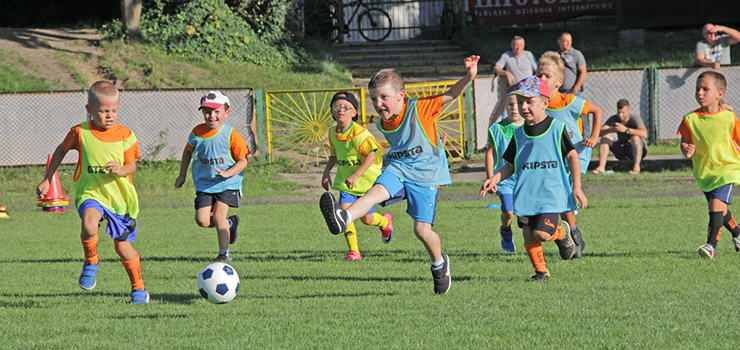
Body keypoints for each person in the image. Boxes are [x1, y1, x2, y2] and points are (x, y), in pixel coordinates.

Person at [320, 55, 480, 295]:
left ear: (401, 96)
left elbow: (451, 95)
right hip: (399, 167)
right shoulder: (384, 122)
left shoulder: (421, 108)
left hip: (427, 175)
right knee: (374, 192)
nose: (379, 103)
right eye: (374, 98)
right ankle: (344, 217)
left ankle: (439, 264)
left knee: (422, 231)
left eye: (384, 97)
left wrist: (469, 76)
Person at [36, 81, 149, 304]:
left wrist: (120, 170)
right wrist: (48, 178)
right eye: (104, 111)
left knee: (123, 248)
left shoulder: (125, 134)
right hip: (91, 194)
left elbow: (132, 166)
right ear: (89, 110)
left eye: (114, 111)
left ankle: (138, 288)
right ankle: (91, 260)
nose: (110, 116)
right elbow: (61, 150)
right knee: (89, 224)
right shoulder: (81, 132)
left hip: (120, 201)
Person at [480, 77, 587, 281]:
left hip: (551, 193)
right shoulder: (519, 134)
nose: (524, 106)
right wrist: (494, 178)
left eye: (530, 101)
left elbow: (573, 156)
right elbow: (510, 165)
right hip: (527, 193)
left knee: (542, 234)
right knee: (528, 234)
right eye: (521, 102)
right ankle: (541, 272)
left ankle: (562, 234)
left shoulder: (556, 128)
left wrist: (577, 187)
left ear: (545, 103)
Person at [536, 51, 603, 259]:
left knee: (565, 195)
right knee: (560, 199)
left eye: (547, 75)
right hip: (555, 158)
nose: (542, 79)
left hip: (577, 154)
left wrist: (593, 136)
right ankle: (573, 236)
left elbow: (597, 111)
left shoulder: (569, 100)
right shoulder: (539, 104)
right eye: (539, 74)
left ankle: (571, 238)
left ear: (559, 81)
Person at [175, 91, 249, 262]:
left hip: (228, 183)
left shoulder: (231, 134)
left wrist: (228, 173)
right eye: (207, 111)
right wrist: (182, 175)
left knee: (218, 216)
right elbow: (187, 152)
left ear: (226, 112)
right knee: (201, 220)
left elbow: (243, 161)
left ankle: (224, 253)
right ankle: (230, 224)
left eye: (217, 111)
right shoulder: (197, 132)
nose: (212, 115)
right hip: (205, 185)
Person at [321, 91, 393, 261]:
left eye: (346, 108)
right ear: (331, 111)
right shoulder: (333, 133)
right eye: (337, 107)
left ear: (354, 113)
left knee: (367, 220)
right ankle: (354, 251)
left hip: (366, 183)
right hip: (347, 183)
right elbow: (334, 155)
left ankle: (385, 222)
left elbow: (372, 155)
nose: (341, 110)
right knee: (344, 212)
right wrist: (326, 172)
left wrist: (356, 175)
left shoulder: (359, 134)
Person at [678, 71, 740, 258]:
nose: (700, 93)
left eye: (705, 89)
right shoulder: (690, 118)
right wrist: (686, 149)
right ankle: (737, 233)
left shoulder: (729, 118)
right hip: (705, 172)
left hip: (728, 169)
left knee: (715, 204)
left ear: (719, 94)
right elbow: (684, 140)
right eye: (698, 89)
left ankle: (711, 246)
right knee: (720, 209)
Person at [484, 84, 524, 253]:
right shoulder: (496, 129)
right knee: (508, 212)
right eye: (510, 104)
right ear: (504, 105)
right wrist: (490, 178)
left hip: (525, 179)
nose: (514, 108)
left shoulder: (529, 128)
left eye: (518, 104)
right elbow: (490, 153)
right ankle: (506, 231)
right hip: (503, 179)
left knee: (524, 217)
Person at [592, 99, 648, 175]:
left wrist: (626, 130)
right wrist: (610, 129)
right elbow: (598, 132)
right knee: (605, 138)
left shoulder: (635, 118)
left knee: (635, 138)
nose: (620, 115)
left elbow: (644, 134)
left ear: (629, 110)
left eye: (623, 112)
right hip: (623, 149)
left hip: (638, 149)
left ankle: (636, 167)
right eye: (619, 112)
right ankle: (601, 167)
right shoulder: (615, 119)